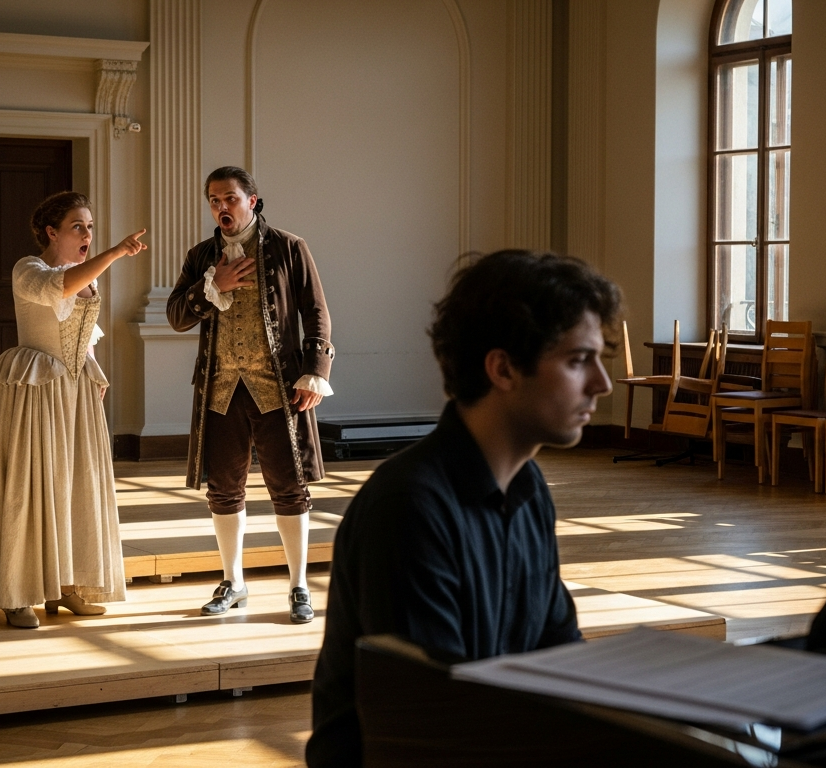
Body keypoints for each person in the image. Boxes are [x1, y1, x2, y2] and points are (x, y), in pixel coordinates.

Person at [306, 250, 621, 766]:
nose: (601, 385)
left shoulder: (529, 487)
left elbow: (559, 653)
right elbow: (436, 723)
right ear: (502, 368)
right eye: (577, 360)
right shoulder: (409, 506)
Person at [0, 192, 148, 629]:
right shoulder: (29, 269)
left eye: (91, 226)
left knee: (76, 486)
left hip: (74, 392)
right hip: (35, 389)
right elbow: (59, 291)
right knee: (28, 488)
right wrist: (115, 251)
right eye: (78, 226)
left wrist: (94, 373)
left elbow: (81, 335)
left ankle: (67, 585)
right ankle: (15, 592)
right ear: (51, 232)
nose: (87, 234)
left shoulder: (85, 275)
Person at [167, 166, 334, 624]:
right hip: (221, 389)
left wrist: (314, 370)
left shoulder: (288, 247)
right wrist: (211, 288)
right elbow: (177, 315)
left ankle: (299, 584)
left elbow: (315, 311)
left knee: (289, 488)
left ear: (253, 200)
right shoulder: (201, 255)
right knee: (223, 490)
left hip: (279, 387)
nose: (222, 207)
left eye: (230, 198)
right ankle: (233, 581)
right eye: (214, 200)